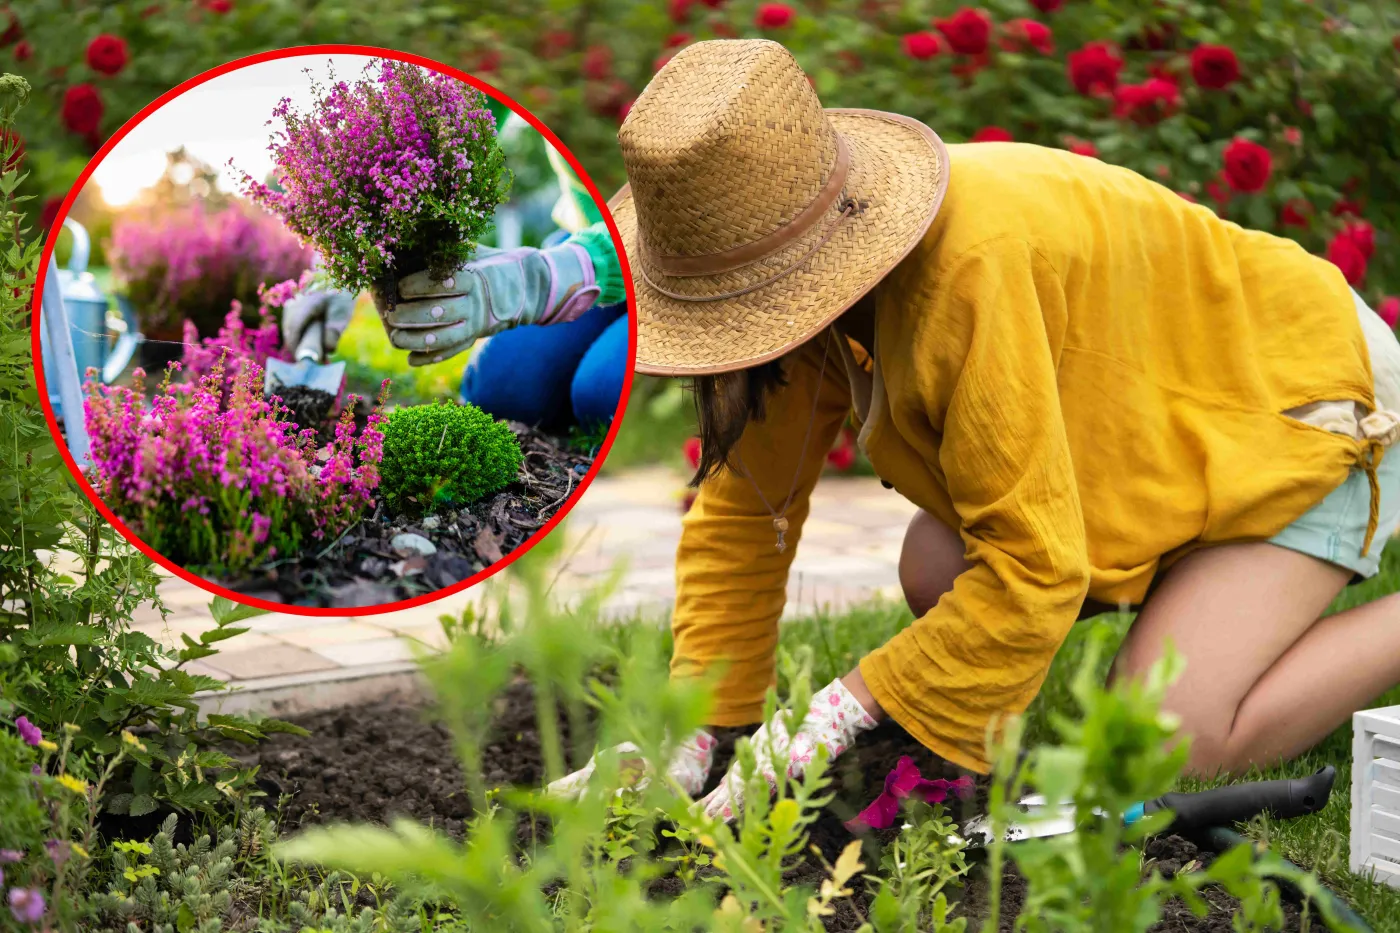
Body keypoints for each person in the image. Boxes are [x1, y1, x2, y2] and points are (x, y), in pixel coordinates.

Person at [536, 38, 1400, 822]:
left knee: (1161, 744)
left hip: (1296, 402)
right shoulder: (787, 268)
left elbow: (1035, 567)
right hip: (1154, 418)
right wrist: (703, 728)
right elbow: (743, 512)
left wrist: (845, 703)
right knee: (937, 566)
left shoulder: (967, 271)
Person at [282, 110, 628, 434]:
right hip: (586, 232)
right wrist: (338, 258)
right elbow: (440, 114)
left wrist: (543, 279)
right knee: (501, 392)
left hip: (657, 259)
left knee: (599, 393)